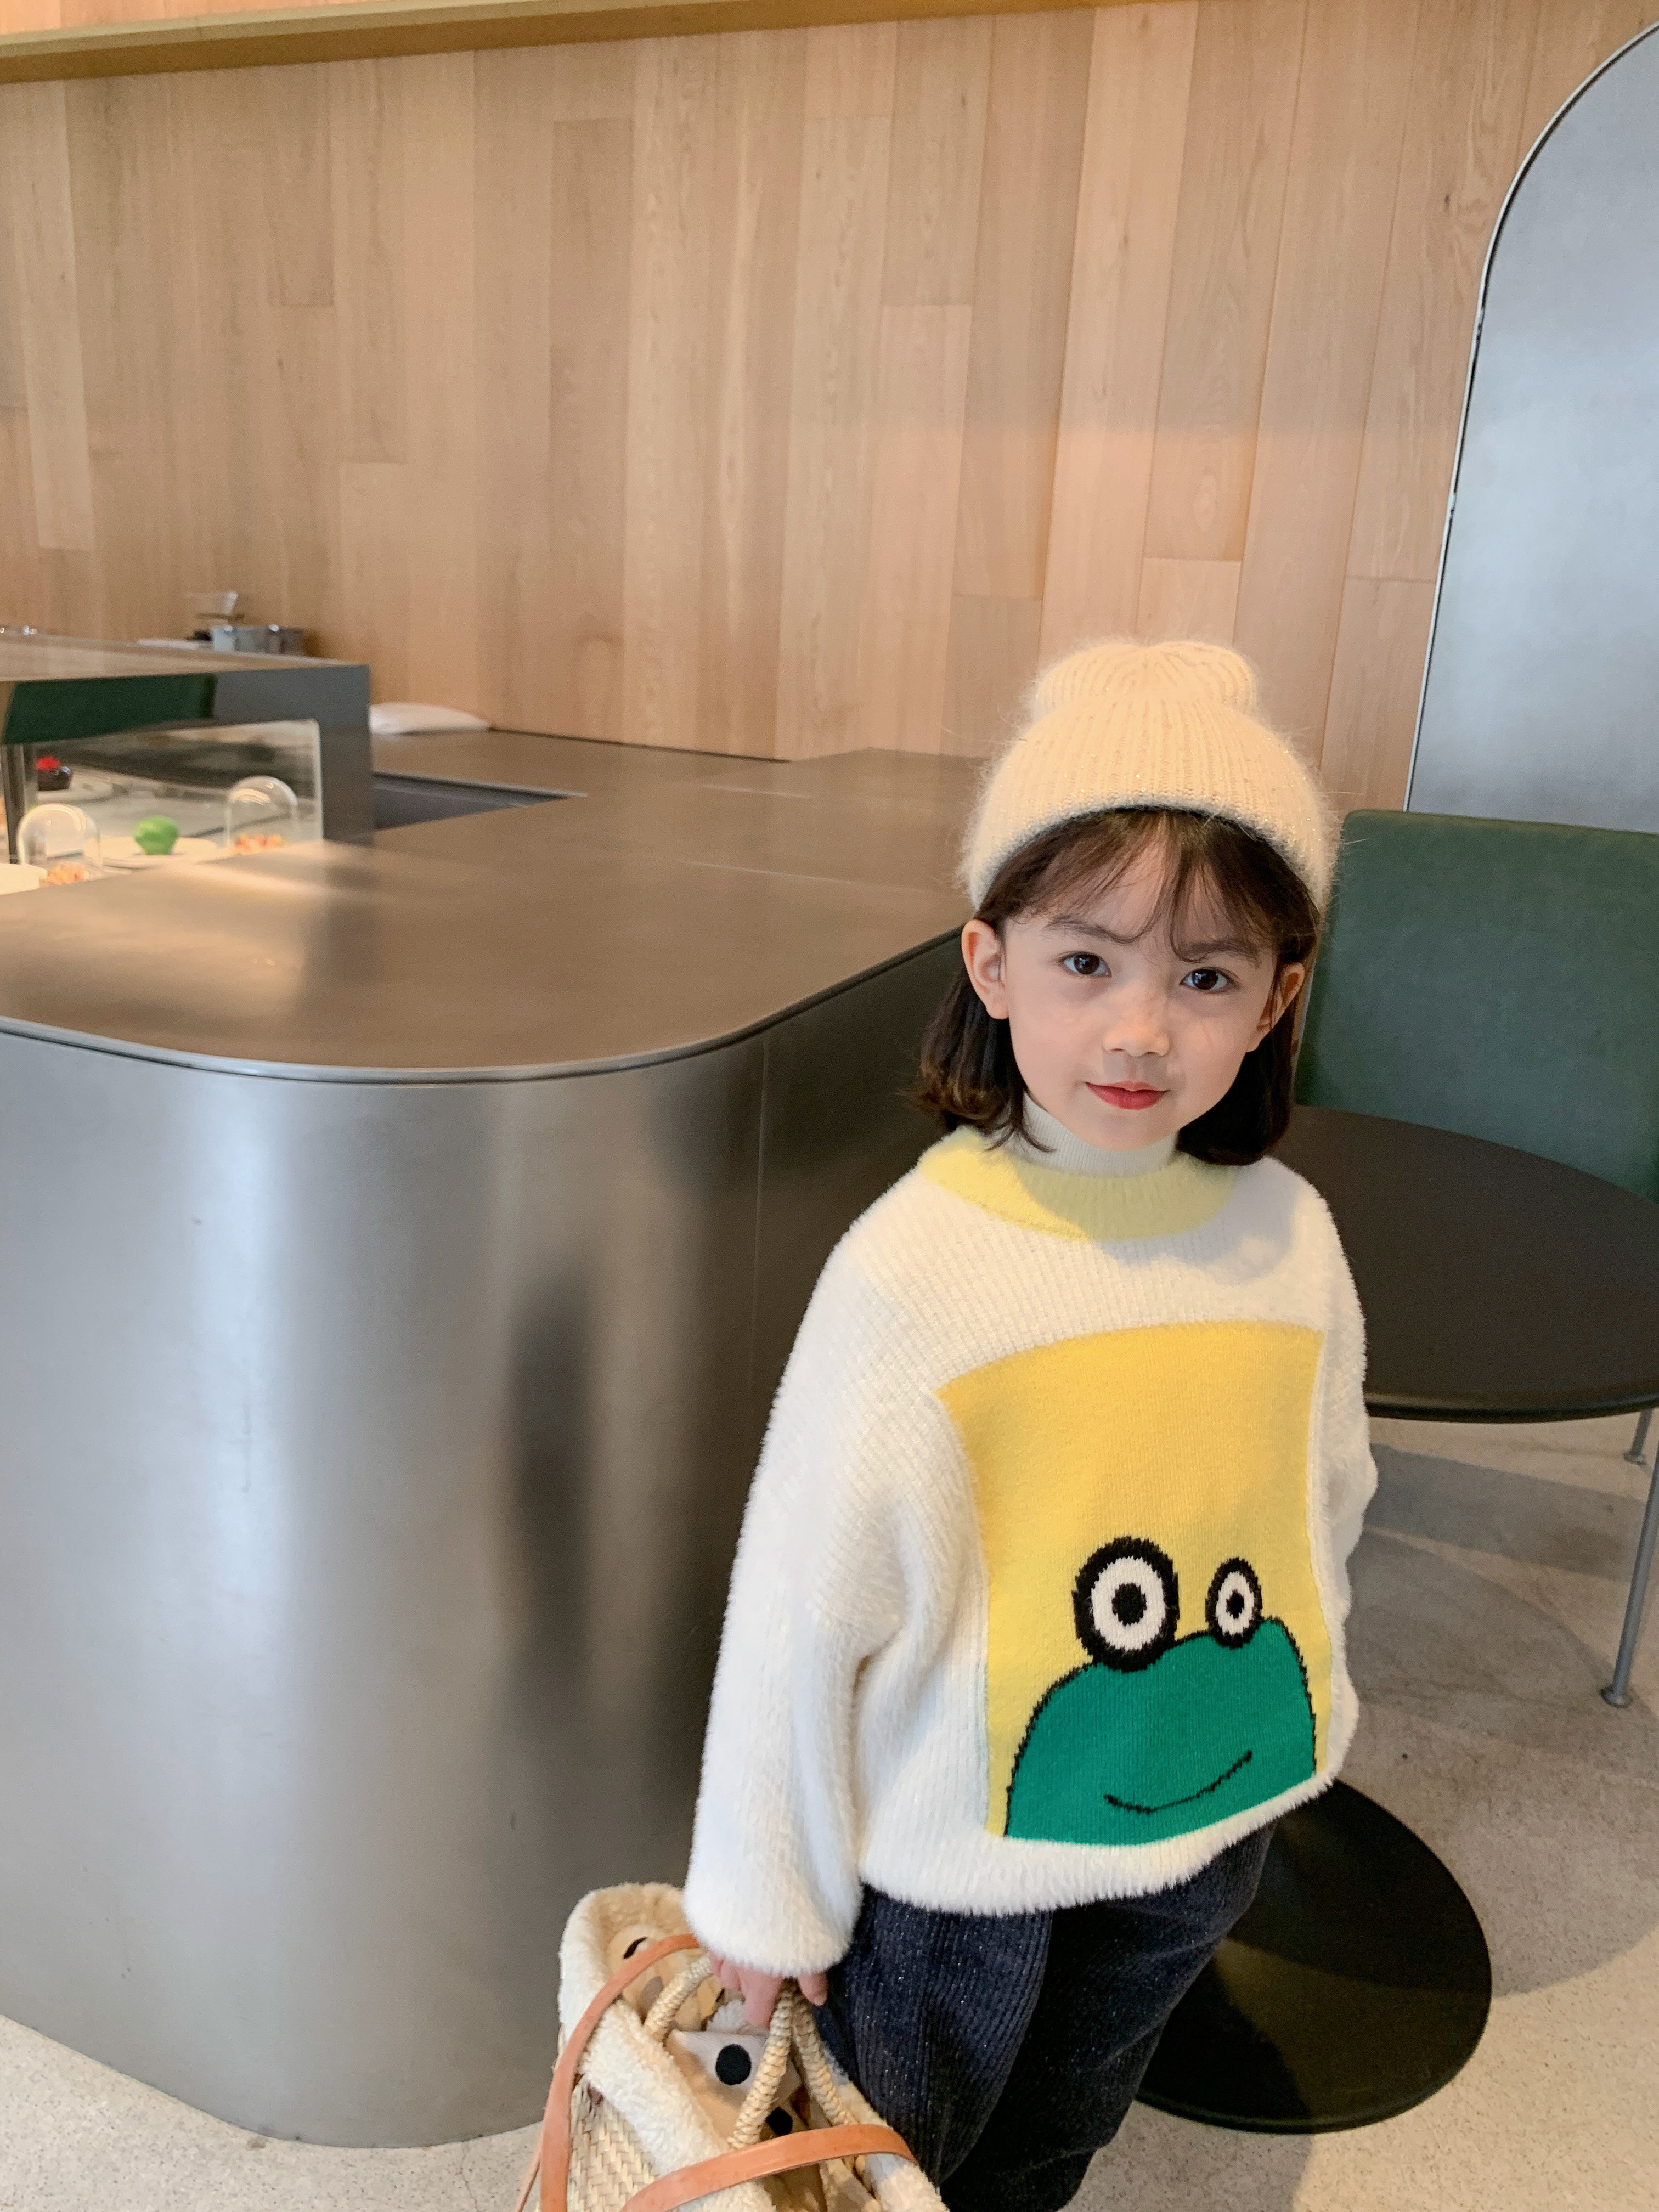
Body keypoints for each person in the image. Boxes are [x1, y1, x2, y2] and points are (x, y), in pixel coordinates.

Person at [683, 638, 1376, 2211]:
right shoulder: (916, 1267)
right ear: (991, 966)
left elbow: (1326, 1498)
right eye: (1087, 962)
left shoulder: (1292, 1237)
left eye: (1205, 977)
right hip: (955, 1881)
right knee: (889, 2166)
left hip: (1205, 1831)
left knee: (1062, 2139)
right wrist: (767, 1899)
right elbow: (801, 1606)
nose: (1141, 1031)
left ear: (1278, 1000)